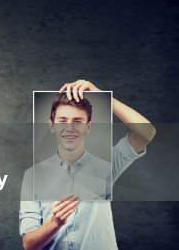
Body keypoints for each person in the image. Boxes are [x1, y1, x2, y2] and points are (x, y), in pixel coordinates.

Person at [20, 80, 155, 250]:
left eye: (78, 121)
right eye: (62, 120)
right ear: (52, 126)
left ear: (88, 127)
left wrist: (104, 97)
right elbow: (29, 244)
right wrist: (55, 223)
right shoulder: (33, 175)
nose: (69, 127)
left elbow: (146, 133)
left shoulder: (106, 166)